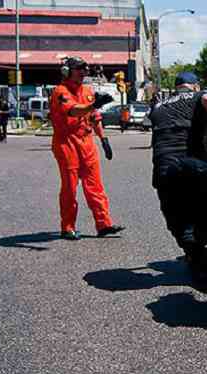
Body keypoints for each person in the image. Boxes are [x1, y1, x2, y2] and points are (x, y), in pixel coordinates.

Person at [148, 71, 207, 289]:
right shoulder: (196, 96)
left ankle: (195, 253)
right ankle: (200, 256)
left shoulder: (159, 105)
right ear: (195, 86)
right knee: (202, 213)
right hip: (193, 164)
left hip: (165, 167)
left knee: (177, 216)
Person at [49, 56, 123, 240]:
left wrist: (103, 139)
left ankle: (103, 224)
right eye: (79, 69)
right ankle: (67, 227)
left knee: (95, 186)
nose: (83, 73)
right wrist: (93, 105)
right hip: (67, 144)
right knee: (70, 188)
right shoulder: (61, 91)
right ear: (67, 71)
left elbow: (95, 117)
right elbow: (74, 110)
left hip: (87, 143)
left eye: (85, 70)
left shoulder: (88, 91)